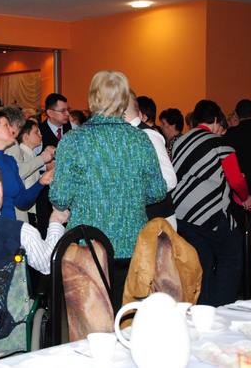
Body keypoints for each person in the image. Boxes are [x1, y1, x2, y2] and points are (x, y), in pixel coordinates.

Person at [50, 71, 166, 309]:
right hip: (132, 244)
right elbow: (157, 191)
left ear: (92, 99)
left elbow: (59, 197)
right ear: (124, 100)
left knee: (91, 320)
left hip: (88, 246)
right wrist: (129, 195)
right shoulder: (140, 140)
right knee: (129, 316)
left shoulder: (73, 141)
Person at [172, 99, 251, 307]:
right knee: (232, 256)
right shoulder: (220, 144)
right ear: (217, 120)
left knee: (203, 262)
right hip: (209, 214)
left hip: (181, 214)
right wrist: (246, 198)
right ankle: (222, 307)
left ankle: (202, 307)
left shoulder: (180, 141)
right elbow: (236, 180)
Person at [125, 96, 177, 230]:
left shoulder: (148, 135)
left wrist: (133, 197)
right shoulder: (127, 135)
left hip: (157, 220)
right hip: (144, 218)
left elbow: (169, 180)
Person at [2, 106, 54, 223]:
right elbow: (19, 173)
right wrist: (43, 159)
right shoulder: (13, 145)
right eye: (36, 132)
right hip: (18, 208)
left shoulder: (25, 152)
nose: (40, 135)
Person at [37, 93, 72, 235]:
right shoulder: (38, 132)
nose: (67, 114)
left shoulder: (72, 130)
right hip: (46, 194)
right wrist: (44, 166)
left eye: (68, 110)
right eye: (63, 111)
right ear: (50, 113)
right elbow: (29, 161)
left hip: (69, 192)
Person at [15, 120, 46, 224]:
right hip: (26, 209)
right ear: (25, 137)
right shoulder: (21, 155)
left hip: (32, 207)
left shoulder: (31, 154)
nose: (40, 135)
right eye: (36, 132)